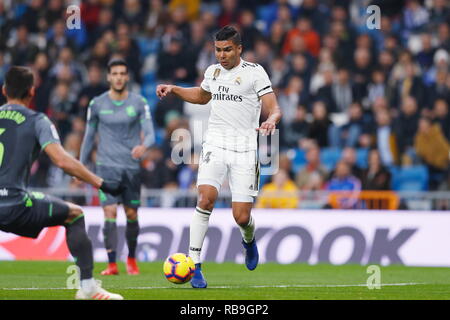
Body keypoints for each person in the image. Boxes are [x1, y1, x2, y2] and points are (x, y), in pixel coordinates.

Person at [156, 25, 282, 288]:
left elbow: (274, 108)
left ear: (239, 49)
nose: (222, 55)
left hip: (245, 149)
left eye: (227, 50)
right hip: (215, 143)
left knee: (242, 217)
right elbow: (203, 97)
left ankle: (248, 240)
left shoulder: (255, 73)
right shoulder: (212, 72)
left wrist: (271, 120)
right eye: (218, 50)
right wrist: (175, 89)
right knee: (205, 199)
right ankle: (195, 265)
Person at [0, 66, 123, 300]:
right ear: (32, 91)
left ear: (4, 90)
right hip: (14, 204)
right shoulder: (37, 120)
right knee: (74, 214)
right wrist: (100, 183)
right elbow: (61, 160)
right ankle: (87, 288)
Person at [80, 59, 155, 276]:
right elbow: (88, 135)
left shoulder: (139, 102)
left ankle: (131, 259)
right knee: (110, 212)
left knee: (131, 214)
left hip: (130, 168)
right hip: (106, 167)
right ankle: (112, 264)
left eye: (123, 73)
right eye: (115, 73)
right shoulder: (97, 104)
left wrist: (144, 145)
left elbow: (150, 132)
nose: (119, 77)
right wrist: (81, 164)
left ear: (128, 77)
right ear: (108, 77)